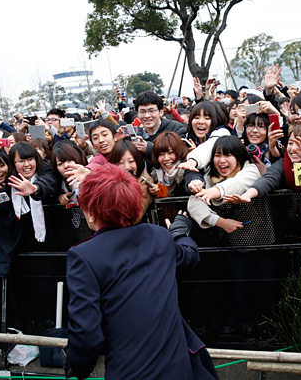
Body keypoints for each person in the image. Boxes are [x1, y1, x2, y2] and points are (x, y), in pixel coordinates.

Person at [63, 163, 219, 380]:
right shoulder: (159, 237)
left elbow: (86, 334)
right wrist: (179, 231)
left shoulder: (84, 256)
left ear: (90, 212)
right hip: (178, 371)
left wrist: (76, 369)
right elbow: (189, 255)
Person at [185, 135, 261, 233]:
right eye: (218, 155)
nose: (222, 160)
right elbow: (194, 202)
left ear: (239, 156)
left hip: (257, 232)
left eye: (228, 155)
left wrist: (212, 192)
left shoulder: (250, 169)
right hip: (224, 240)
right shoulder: (210, 175)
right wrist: (220, 222)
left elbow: (237, 183)